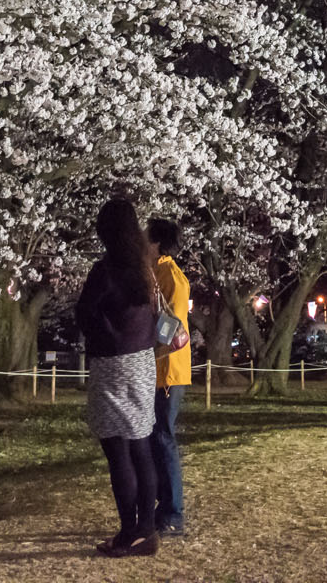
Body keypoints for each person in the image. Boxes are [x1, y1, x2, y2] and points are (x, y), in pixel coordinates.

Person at [78, 199, 161, 558]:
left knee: (118, 452)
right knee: (141, 447)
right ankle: (147, 530)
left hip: (113, 366)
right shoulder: (145, 270)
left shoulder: (106, 271)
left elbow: (84, 314)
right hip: (142, 363)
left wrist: (99, 339)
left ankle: (130, 532)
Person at [147, 217, 190, 539]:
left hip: (167, 370)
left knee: (163, 438)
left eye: (145, 238)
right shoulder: (156, 273)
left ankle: (173, 513)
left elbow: (169, 328)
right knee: (155, 440)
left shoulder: (172, 277)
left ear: (156, 243)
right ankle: (162, 509)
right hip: (157, 368)